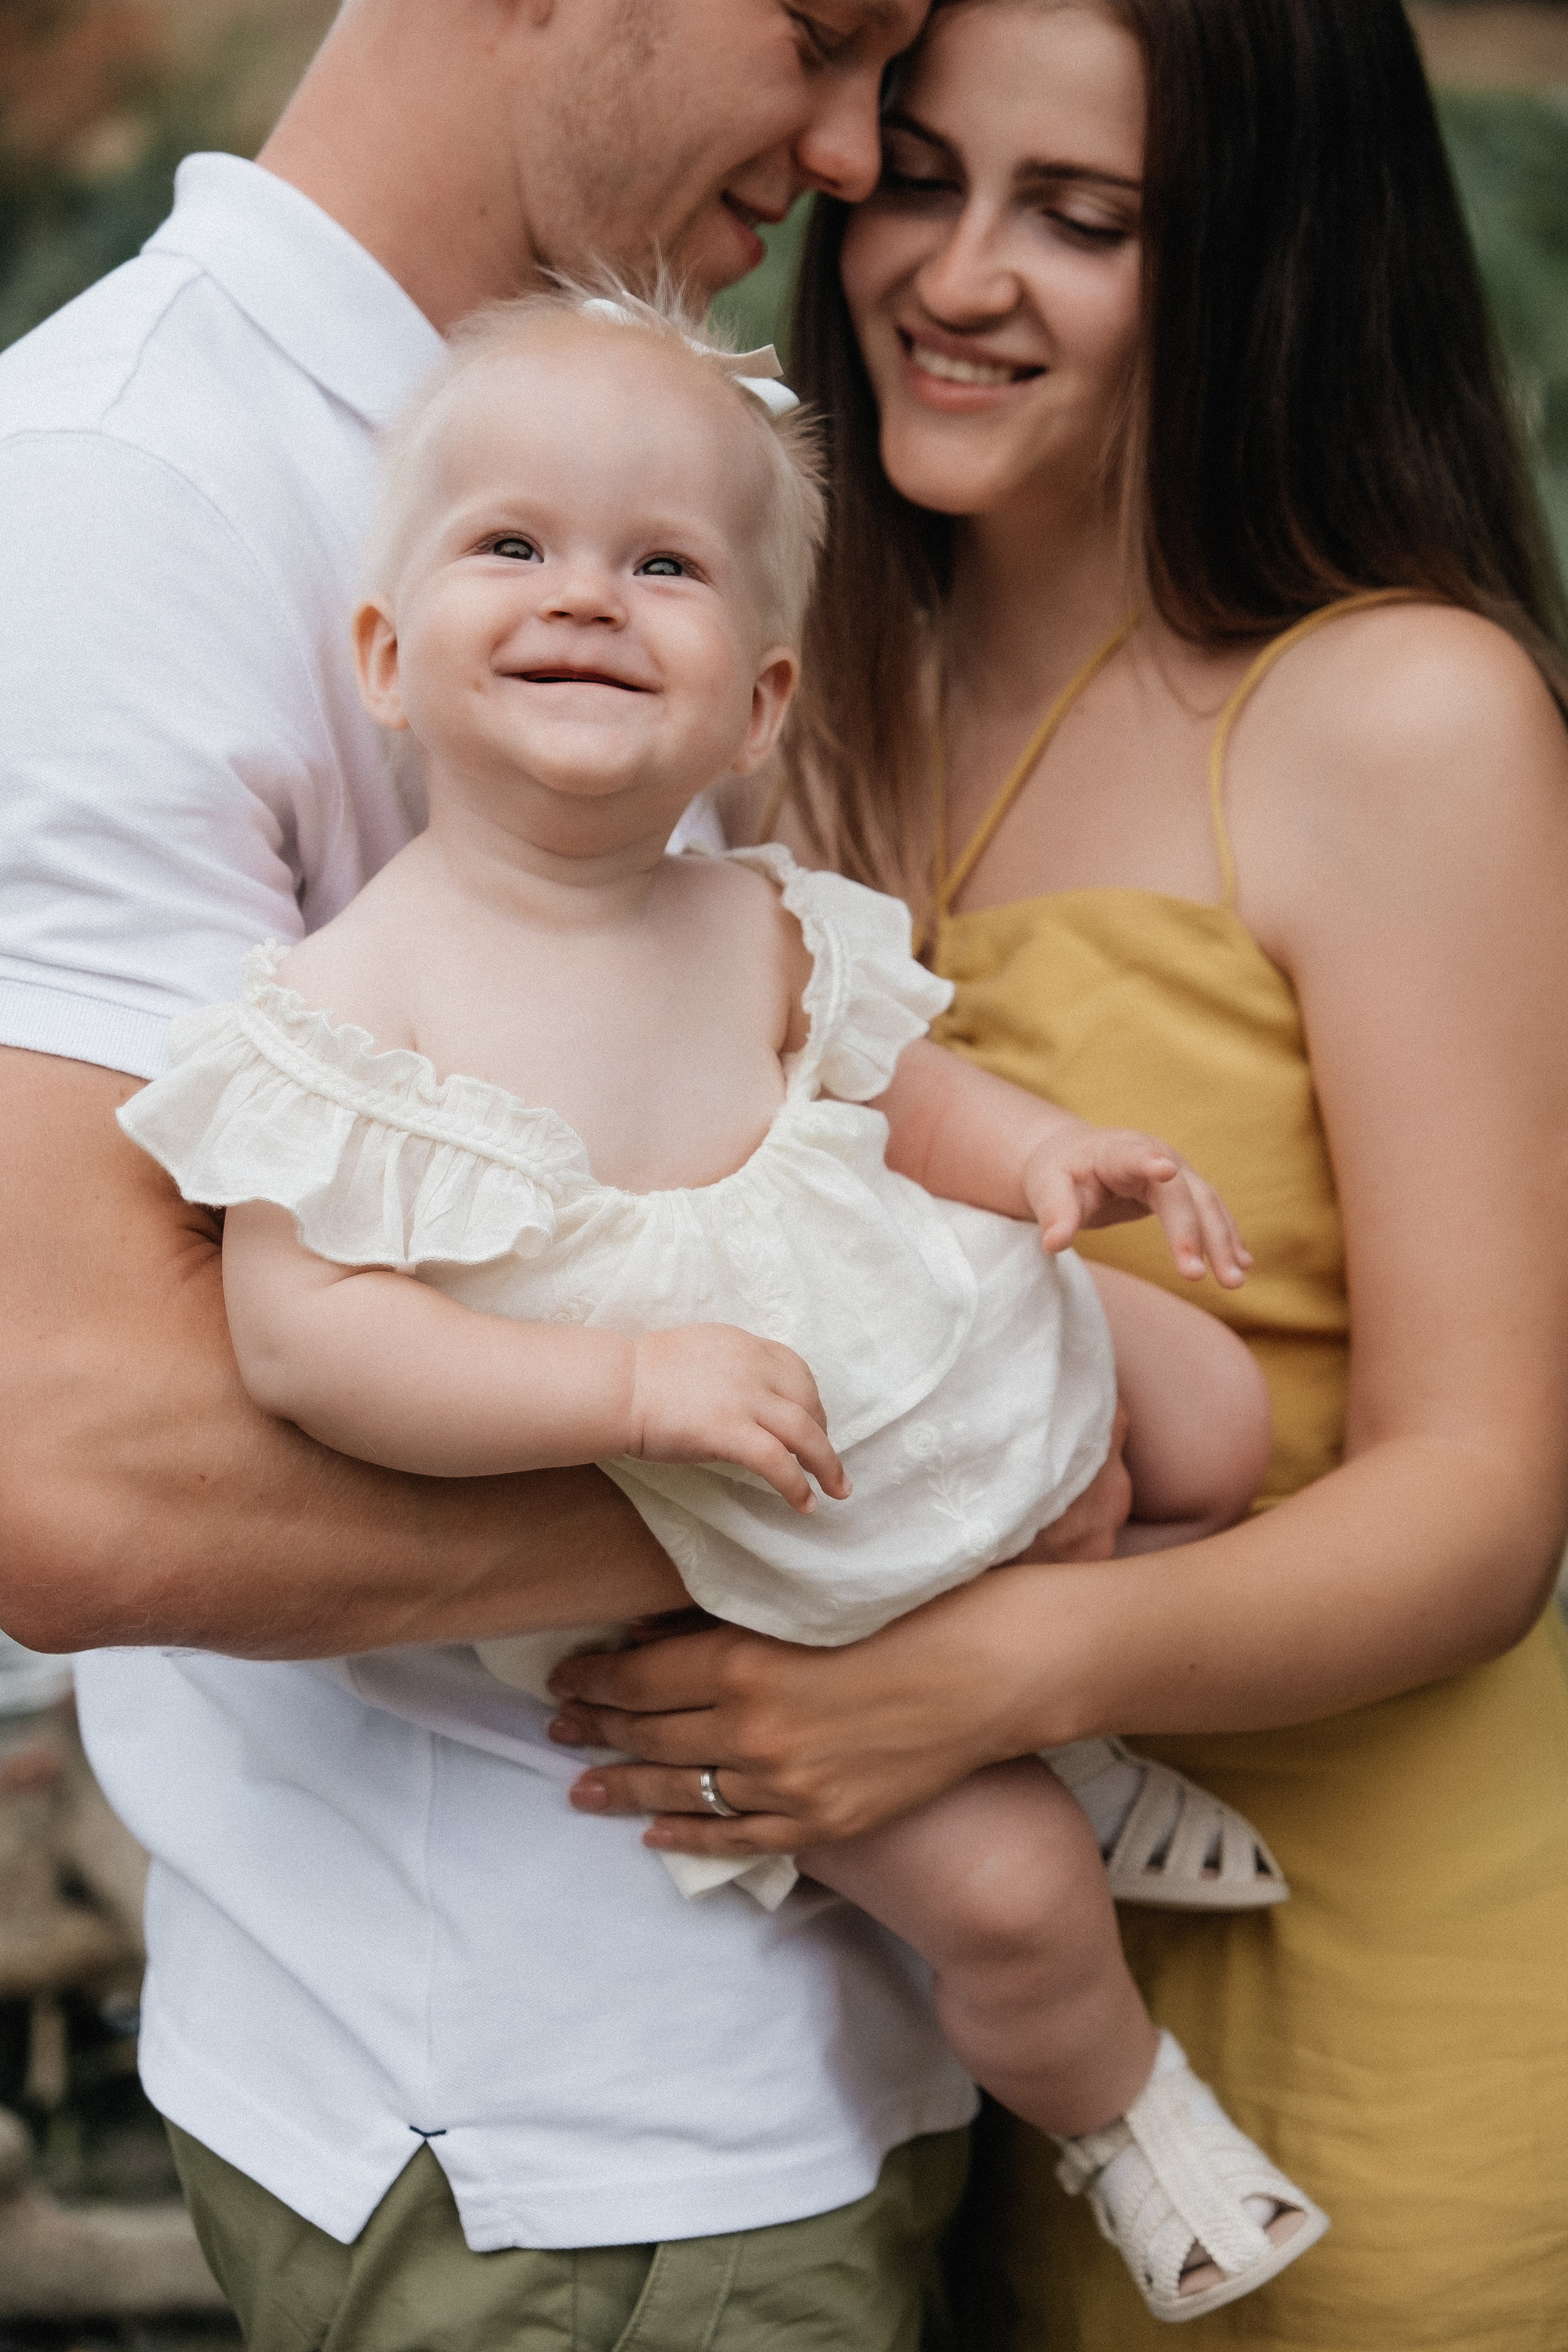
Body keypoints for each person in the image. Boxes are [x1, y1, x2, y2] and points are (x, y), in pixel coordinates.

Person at [0, 4, 1150, 2343]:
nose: (850, 152)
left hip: (824, 2038)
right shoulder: (121, 494)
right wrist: (971, 1470)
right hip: (554, 2138)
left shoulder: (608, 457)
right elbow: (70, 1462)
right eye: (822, 36)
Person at [119, 282, 1323, 2321]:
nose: (587, 594)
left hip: (909, 1376)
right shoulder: (354, 1007)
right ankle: (1139, 2121)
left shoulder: (749, 915)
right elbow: (308, 1340)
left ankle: (1069, 1713)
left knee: (1212, 1415)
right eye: (514, 543)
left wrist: (1038, 1155)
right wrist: (629, 1380)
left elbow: (897, 1082)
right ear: (389, 661)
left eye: (660, 562)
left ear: (755, 704)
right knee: (1011, 1898)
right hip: (730, 1549)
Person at [543, 2, 1568, 2344]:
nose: (954, 271)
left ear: (1263, 265)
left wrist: (986, 1673)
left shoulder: (1395, 713)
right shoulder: (775, 698)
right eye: (917, 176)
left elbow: (1488, 1500)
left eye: (1082, 219)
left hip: (1391, 1989)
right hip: (958, 2043)